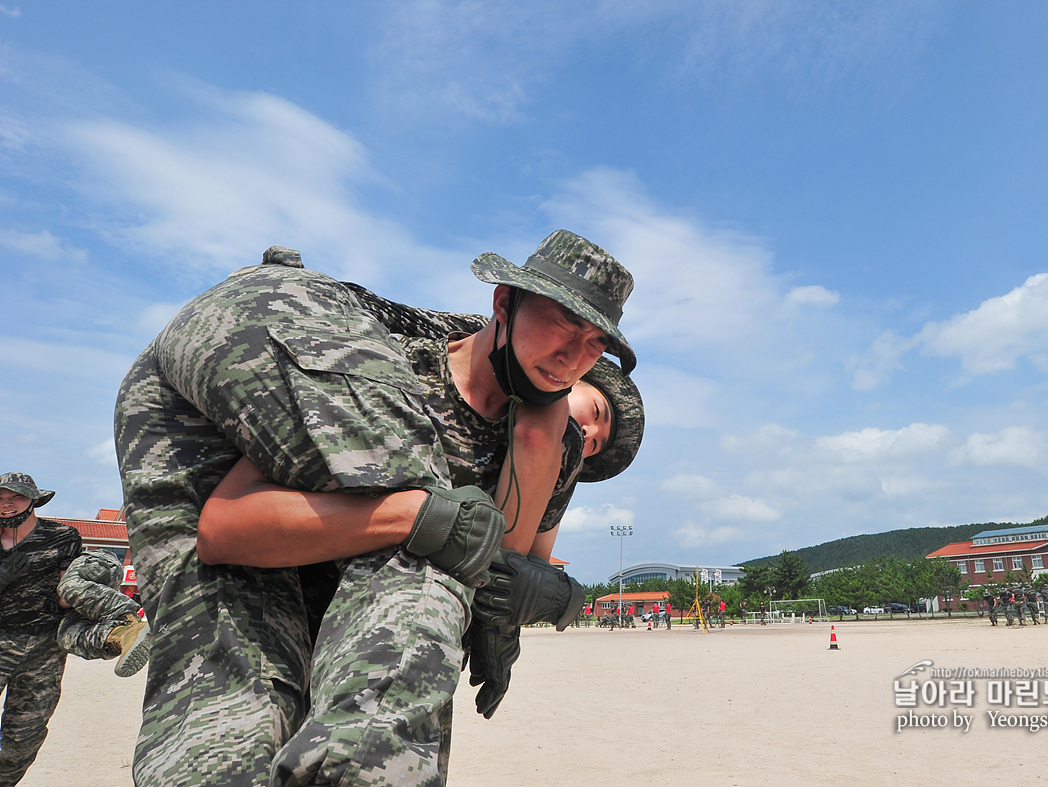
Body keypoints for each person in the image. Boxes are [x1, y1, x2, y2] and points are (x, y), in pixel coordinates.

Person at [115, 232, 637, 787]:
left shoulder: (550, 446)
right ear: (504, 302)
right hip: (257, 594)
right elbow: (226, 529)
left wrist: (549, 599)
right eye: (562, 323)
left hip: (376, 644)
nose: (573, 357)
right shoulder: (387, 375)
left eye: (595, 344)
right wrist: (415, 517)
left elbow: (513, 561)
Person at [0, 473, 82, 786]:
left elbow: (67, 594)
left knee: (23, 741)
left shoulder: (63, 537)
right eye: (1, 497)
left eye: (16, 496)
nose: (7, 504)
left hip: (44, 649)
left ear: (34, 499)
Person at [56, 549, 151, 677]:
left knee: (69, 587)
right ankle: (121, 636)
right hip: (72, 608)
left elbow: (64, 598)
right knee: (66, 637)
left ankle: (129, 617)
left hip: (98, 561)